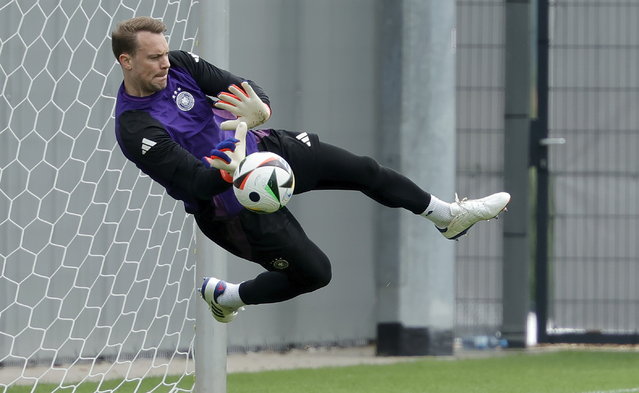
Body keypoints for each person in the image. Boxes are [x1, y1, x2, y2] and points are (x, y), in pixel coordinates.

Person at [111, 16, 510, 323]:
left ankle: (447, 216)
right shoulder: (135, 128)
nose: (165, 62)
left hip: (267, 152)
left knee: (364, 170)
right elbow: (198, 181)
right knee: (316, 273)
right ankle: (228, 297)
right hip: (230, 207)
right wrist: (235, 149)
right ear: (125, 60)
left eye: (165, 53)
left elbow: (249, 91)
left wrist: (260, 111)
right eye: (154, 57)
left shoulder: (181, 64)